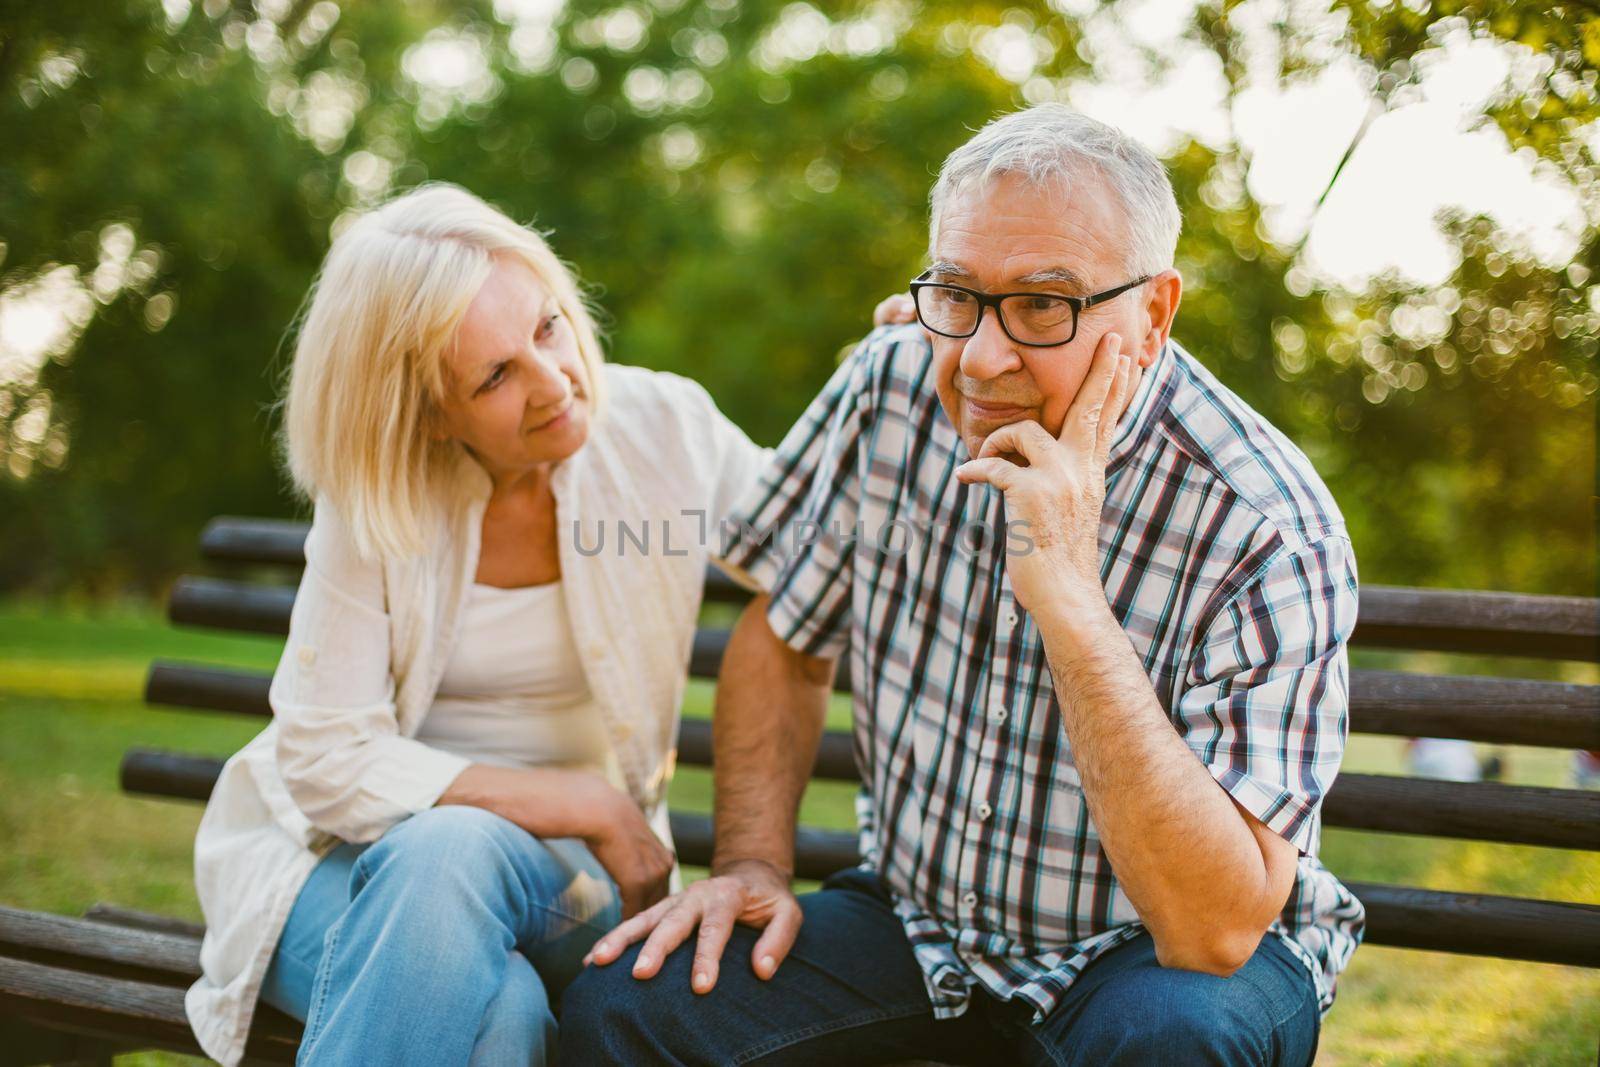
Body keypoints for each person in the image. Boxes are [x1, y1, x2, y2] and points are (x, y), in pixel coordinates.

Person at [561, 105, 1365, 1066]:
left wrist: (1068, 594)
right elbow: (785, 635)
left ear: (1151, 315)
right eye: (957, 292)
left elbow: (1213, 930)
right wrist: (748, 864)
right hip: (921, 925)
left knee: (1169, 1039)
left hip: (1150, 958)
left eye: (1043, 304)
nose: (982, 359)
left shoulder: (1266, 525)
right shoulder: (891, 385)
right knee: (628, 1006)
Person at [184, 182, 777, 1066]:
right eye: (495, 375)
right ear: (427, 411)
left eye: (545, 327)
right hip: (335, 869)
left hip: (579, 880)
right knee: (499, 1015)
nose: (555, 381)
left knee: (447, 852)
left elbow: (827, 546)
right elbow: (322, 754)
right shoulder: (379, 499)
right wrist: (581, 798)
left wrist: (902, 380)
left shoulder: (663, 430)